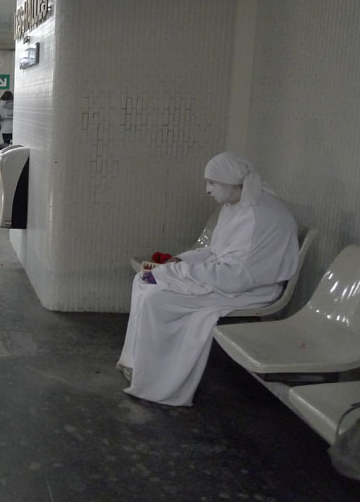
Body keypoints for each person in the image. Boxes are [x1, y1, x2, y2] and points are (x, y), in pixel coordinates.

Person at [117, 152, 300, 406]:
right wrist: (182, 261)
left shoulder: (258, 216)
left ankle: (159, 380)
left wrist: (179, 273)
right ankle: (136, 362)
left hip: (251, 290)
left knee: (156, 298)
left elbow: (236, 276)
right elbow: (215, 252)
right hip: (225, 278)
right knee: (144, 279)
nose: (207, 190)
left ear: (232, 182)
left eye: (212, 182)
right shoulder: (235, 207)